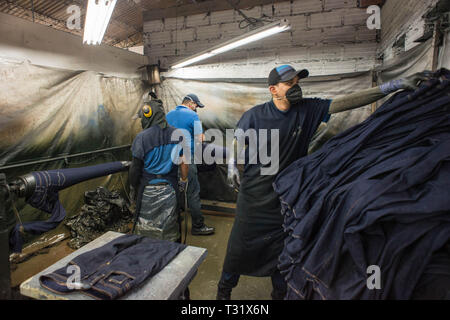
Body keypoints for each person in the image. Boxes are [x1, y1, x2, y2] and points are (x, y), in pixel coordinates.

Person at [217, 64, 432, 300]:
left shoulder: (308, 109)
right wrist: (231, 163)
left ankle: (279, 294)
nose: (295, 87)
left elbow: (345, 102)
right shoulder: (255, 115)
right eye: (289, 83)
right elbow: (237, 138)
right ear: (273, 90)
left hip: (286, 197)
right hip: (254, 197)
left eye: (297, 83)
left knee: (282, 253)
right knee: (238, 250)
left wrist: (389, 87)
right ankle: (224, 291)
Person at [129, 96, 189, 243]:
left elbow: (135, 169)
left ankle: (147, 252)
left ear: (148, 115)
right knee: (170, 224)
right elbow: (184, 162)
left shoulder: (141, 138)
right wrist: (184, 180)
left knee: (146, 227)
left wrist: (132, 188)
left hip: (148, 190)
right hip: (170, 188)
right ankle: (171, 252)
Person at [166, 94, 215, 236]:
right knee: (192, 191)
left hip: (170, 159)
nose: (197, 109)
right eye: (196, 106)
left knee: (174, 190)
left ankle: (173, 223)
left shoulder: (168, 115)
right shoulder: (192, 116)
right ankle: (198, 226)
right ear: (191, 103)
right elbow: (200, 139)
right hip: (186, 158)